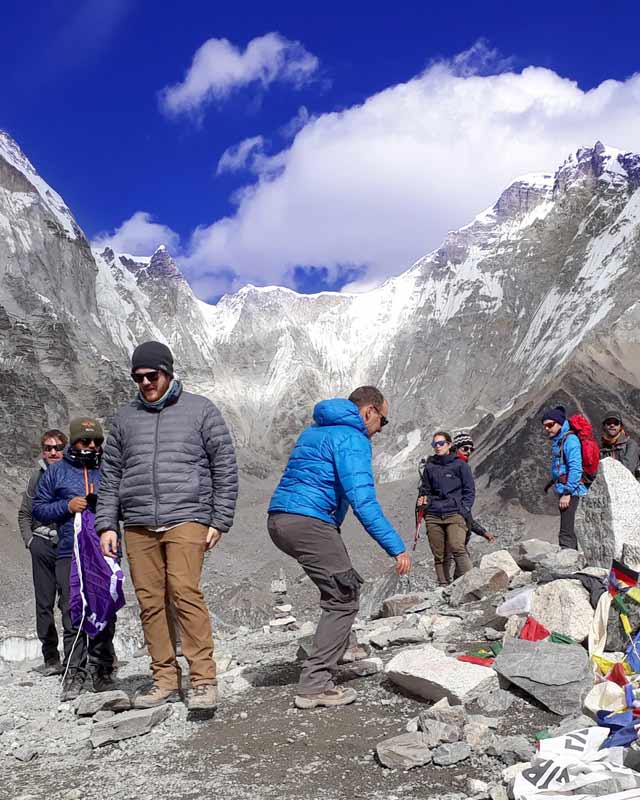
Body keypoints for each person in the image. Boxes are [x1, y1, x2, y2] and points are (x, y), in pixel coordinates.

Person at [96, 341, 238, 712]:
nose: (145, 383)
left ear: (168, 372)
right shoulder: (125, 418)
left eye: (151, 375)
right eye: (138, 377)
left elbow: (224, 465)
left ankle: (204, 680)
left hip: (188, 515)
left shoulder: (201, 410)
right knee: (149, 602)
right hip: (138, 522)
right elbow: (110, 475)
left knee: (184, 592)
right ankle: (164, 680)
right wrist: (106, 525)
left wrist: (219, 518)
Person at [268, 386, 410, 710]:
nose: (381, 430)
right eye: (383, 422)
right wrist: (397, 548)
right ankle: (315, 685)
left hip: (281, 519)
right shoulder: (352, 438)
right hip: (308, 521)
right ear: (369, 411)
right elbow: (363, 501)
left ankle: (344, 648)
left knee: (339, 580)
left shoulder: (316, 431)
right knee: (343, 596)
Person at [32, 418, 117, 701]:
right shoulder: (56, 472)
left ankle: (103, 670)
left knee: (104, 607)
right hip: (69, 549)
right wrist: (67, 506)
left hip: (104, 549)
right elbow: (39, 509)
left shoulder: (109, 469)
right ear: (74, 442)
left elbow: (124, 503)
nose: (91, 446)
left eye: (96, 442)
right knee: (72, 609)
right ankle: (74, 672)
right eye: (85, 441)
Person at [18, 429, 68, 675]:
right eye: (48, 448)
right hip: (42, 545)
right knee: (44, 603)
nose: (53, 452)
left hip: (68, 545)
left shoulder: (74, 474)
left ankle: (74, 656)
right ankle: (51, 658)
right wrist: (30, 541)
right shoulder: (35, 478)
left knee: (70, 601)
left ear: (65, 449)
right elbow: (24, 513)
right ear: (42, 450)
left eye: (58, 447)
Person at [417, 431, 475, 586]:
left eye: (441, 443)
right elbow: (425, 489)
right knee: (439, 554)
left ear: (449, 445)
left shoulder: (460, 465)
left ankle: (473, 584)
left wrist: (464, 509)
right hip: (433, 515)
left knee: (457, 547)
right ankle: (443, 587)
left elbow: (469, 491)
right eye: (434, 444)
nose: (437, 447)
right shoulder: (430, 467)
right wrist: (423, 501)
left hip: (454, 513)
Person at [442, 432, 495, 582]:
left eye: (471, 449)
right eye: (465, 448)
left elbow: (465, 511)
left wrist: (481, 531)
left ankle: (452, 591)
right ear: (456, 448)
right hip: (451, 525)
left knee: (460, 562)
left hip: (460, 526)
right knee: (462, 561)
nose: (469, 452)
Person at [541, 405, 587, 549]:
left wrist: (567, 492)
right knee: (569, 530)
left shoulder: (570, 440)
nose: (547, 429)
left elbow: (575, 468)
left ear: (560, 423)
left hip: (573, 491)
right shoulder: (561, 440)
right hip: (567, 489)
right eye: (545, 426)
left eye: (550, 425)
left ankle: (568, 564)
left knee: (566, 532)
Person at [600, 410, 640, 478]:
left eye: (616, 423)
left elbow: (627, 468)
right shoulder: (602, 448)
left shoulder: (630, 445)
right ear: (604, 426)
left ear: (621, 427)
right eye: (609, 423)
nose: (612, 425)